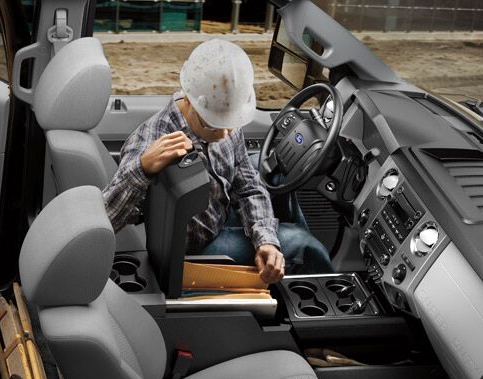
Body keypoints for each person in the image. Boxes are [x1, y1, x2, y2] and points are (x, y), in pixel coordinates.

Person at [103, 39, 333, 284]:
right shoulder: (150, 138)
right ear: (189, 100)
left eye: (230, 124)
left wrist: (266, 239)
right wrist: (142, 169)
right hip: (195, 250)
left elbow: (248, 185)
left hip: (220, 213)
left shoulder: (224, 110)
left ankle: (282, 267)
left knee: (275, 172)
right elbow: (108, 217)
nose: (225, 134)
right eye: (213, 125)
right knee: (303, 245)